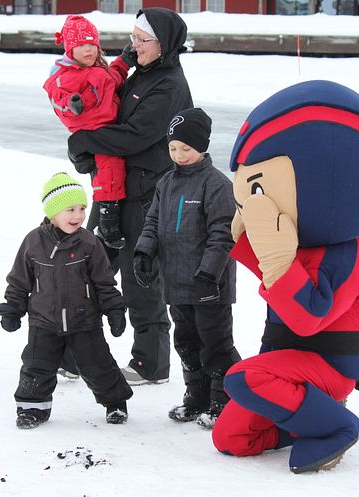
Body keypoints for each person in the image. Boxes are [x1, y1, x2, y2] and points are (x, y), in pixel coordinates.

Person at [212, 81, 359, 473]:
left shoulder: (350, 257)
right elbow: (277, 280)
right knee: (229, 438)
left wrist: (276, 258)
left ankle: (337, 425)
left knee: (242, 378)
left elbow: (307, 318)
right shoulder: (300, 244)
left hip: (329, 369)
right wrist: (254, 245)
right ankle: (305, 422)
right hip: (289, 363)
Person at [66, 8, 194, 386]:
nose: (132, 45)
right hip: (115, 191)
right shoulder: (143, 72)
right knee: (84, 265)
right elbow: (107, 118)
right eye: (133, 36)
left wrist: (84, 141)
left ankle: (150, 362)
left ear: (164, 44)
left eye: (142, 40)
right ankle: (75, 351)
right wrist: (85, 148)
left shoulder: (169, 84)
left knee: (139, 277)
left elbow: (136, 135)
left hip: (146, 195)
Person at [0, 172, 133, 429]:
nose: (78, 216)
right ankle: (32, 408)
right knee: (36, 366)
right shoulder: (33, 242)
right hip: (43, 321)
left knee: (98, 365)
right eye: (70, 209)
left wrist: (114, 309)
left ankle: (115, 402)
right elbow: (19, 281)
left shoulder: (90, 244)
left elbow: (105, 283)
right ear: (53, 212)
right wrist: (13, 309)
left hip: (84, 320)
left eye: (82, 208)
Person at [133, 108, 241, 428]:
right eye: (173, 148)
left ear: (202, 147)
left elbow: (224, 233)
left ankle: (224, 401)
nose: (178, 155)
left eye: (185, 149)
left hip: (209, 286)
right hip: (176, 283)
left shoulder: (217, 184)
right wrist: (144, 252)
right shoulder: (166, 183)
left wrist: (210, 273)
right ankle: (197, 398)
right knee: (186, 341)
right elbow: (152, 222)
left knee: (215, 343)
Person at [43, 15, 130, 250]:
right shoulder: (65, 75)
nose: (88, 49)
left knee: (110, 169)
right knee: (109, 171)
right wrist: (72, 103)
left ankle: (107, 214)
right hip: (92, 128)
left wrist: (124, 61)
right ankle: (108, 219)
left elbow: (113, 78)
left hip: (107, 126)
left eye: (92, 44)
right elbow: (57, 96)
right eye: (81, 45)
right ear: (70, 49)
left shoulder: (97, 69)